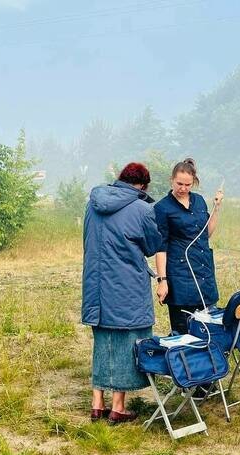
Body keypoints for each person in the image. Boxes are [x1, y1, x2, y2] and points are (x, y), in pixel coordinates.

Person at [81, 162, 162, 424]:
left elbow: (86, 240)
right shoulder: (142, 208)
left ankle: (97, 404)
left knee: (102, 341)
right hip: (128, 286)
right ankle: (118, 407)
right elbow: (151, 246)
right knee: (128, 342)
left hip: (96, 285)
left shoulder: (92, 205)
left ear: (119, 179)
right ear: (143, 185)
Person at [153, 158, 224, 335]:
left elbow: (206, 234)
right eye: (179, 184)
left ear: (194, 182)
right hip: (180, 275)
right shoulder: (162, 207)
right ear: (171, 180)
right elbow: (161, 247)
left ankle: (209, 361)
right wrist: (162, 281)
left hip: (203, 271)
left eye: (188, 184)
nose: (183, 188)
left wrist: (216, 208)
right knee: (183, 331)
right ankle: (183, 361)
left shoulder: (199, 201)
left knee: (208, 327)